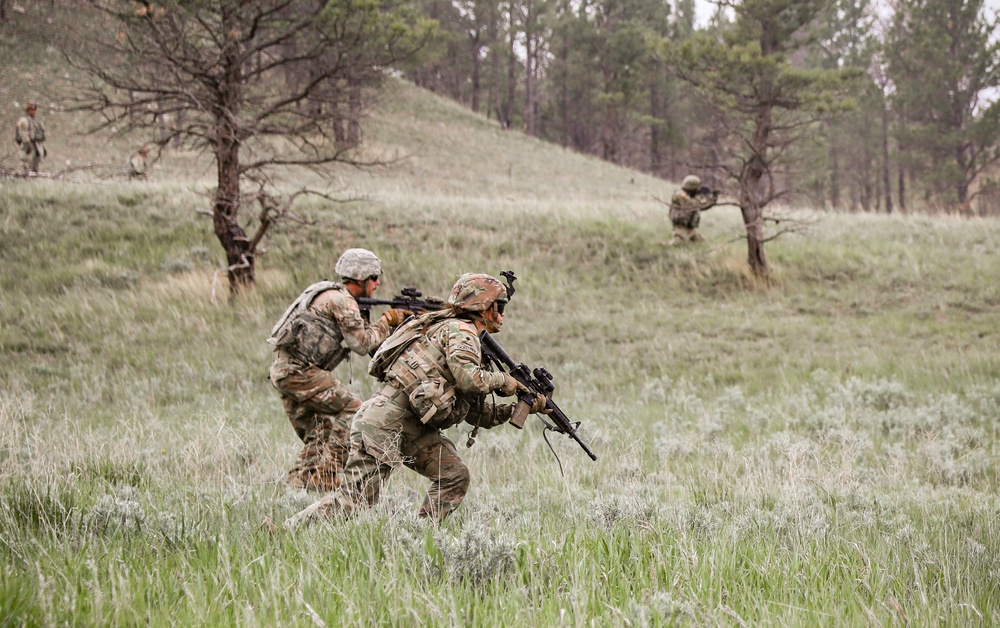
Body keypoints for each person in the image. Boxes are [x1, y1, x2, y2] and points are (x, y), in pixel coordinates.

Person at [283, 273, 549, 529]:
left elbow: (475, 413)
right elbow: (469, 379)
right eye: (499, 307)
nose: (502, 315)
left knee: (454, 475)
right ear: (483, 306)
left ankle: (422, 537)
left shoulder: (462, 336)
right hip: (385, 421)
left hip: (411, 425)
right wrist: (506, 381)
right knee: (356, 500)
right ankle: (287, 530)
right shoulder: (461, 330)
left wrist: (517, 409)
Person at [267, 248, 412, 491]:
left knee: (319, 429)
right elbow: (362, 344)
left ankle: (299, 486)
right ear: (360, 278)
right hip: (299, 372)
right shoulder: (342, 301)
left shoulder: (325, 291)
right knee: (355, 410)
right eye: (374, 277)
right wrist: (388, 320)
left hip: (284, 371)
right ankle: (327, 475)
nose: (377, 283)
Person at [669, 174, 718, 244]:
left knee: (702, 243)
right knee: (678, 243)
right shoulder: (679, 194)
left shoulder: (691, 197)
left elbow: (701, 207)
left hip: (690, 229)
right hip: (680, 227)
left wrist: (712, 200)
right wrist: (700, 196)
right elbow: (692, 205)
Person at [15, 102, 46, 174]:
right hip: (28, 144)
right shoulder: (24, 120)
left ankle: (34, 172)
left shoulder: (35, 121)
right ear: (27, 110)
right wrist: (27, 144)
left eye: (34, 110)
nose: (33, 111)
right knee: (26, 161)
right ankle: (26, 174)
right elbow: (24, 133)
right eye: (31, 110)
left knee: (36, 162)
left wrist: (42, 147)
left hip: (36, 144)